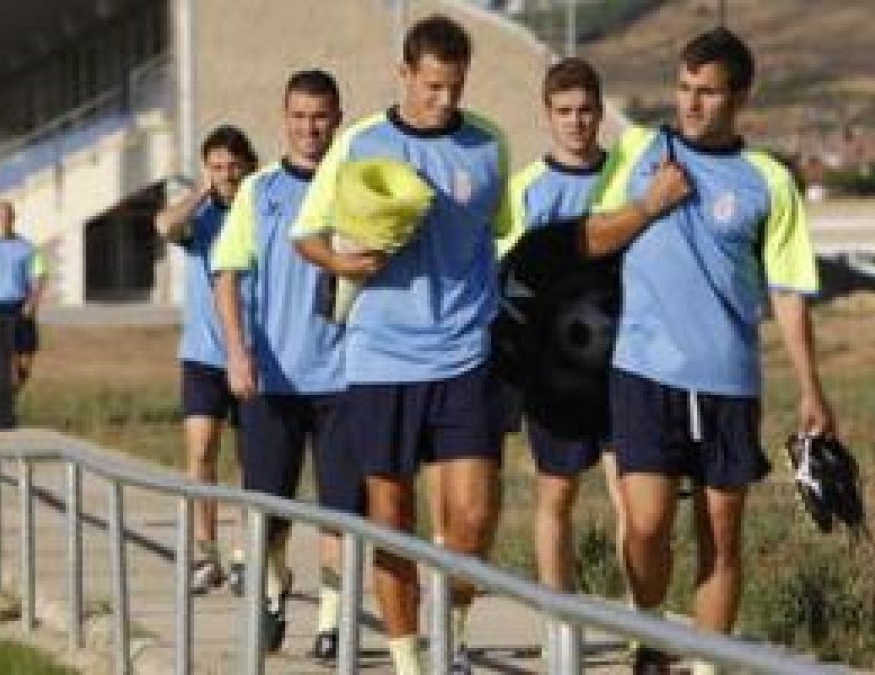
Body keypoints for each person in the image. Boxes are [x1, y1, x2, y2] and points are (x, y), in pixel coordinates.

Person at [593, 28, 835, 673]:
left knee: (721, 535)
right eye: (683, 89)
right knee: (644, 523)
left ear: (740, 98)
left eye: (707, 92)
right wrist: (648, 204)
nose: (691, 104)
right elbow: (591, 236)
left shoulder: (768, 182)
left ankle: (704, 665)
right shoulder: (642, 148)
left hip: (728, 381)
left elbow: (787, 290)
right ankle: (650, 632)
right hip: (642, 372)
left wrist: (812, 390)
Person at [291, 17, 510, 673]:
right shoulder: (360, 143)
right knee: (391, 518)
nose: (445, 100)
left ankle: (453, 631)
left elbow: (495, 233)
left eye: (456, 87)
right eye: (433, 87)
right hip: (382, 359)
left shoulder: (487, 144)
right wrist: (345, 265)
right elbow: (307, 236)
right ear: (405, 74)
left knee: (471, 517)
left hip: (467, 351)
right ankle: (411, 659)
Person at [495, 57, 690, 666]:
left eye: (586, 111)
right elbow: (510, 279)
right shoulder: (527, 188)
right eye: (564, 112)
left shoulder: (630, 178)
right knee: (556, 500)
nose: (577, 122)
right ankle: (563, 627)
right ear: (547, 116)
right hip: (556, 375)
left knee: (639, 509)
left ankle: (646, 630)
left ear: (601, 112)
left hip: (627, 367)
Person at [212, 69, 362, 659]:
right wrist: (237, 351)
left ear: (337, 118)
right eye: (299, 117)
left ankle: (331, 622)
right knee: (268, 511)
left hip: (344, 379)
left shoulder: (356, 187)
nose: (309, 128)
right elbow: (227, 274)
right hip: (272, 379)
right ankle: (274, 592)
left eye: (320, 117)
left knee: (341, 511)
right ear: (284, 118)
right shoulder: (259, 190)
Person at [154, 125, 257, 596]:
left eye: (233, 166)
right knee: (200, 454)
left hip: (255, 357)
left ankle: (244, 553)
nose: (226, 175)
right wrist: (201, 193)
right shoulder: (200, 220)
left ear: (248, 165)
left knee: (250, 460)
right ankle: (206, 551)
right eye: (216, 166)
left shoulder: (260, 214)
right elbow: (164, 226)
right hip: (202, 355)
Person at [0, 201, 46, 391]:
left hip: (21, 306)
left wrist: (32, 302)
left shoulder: (28, 247)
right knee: (9, 362)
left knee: (25, 362)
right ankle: (6, 403)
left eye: (8, 217)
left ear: (14, 218)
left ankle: (11, 396)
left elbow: (38, 277)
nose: (5, 221)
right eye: (1, 217)